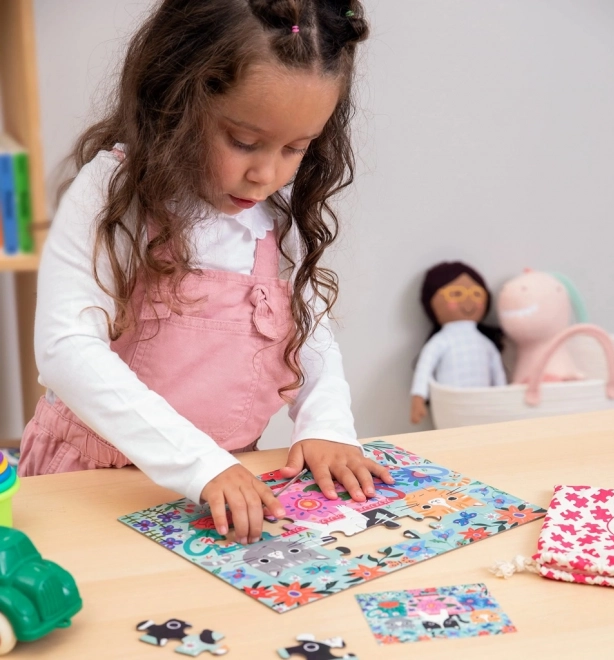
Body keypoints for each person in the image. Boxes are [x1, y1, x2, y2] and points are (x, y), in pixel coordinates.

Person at [18, 0, 393, 545]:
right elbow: (66, 350)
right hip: (96, 483)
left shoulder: (276, 209)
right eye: (243, 142)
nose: (266, 173)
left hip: (221, 488)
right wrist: (198, 464)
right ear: (175, 101)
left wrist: (328, 423)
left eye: (296, 147)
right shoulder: (112, 195)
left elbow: (309, 329)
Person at [410, 261, 506, 424]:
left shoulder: (485, 343)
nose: (468, 300)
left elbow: (498, 373)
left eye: (476, 294)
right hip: (452, 409)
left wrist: (503, 398)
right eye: (456, 294)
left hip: (486, 409)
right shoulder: (441, 341)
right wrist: (418, 397)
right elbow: (424, 368)